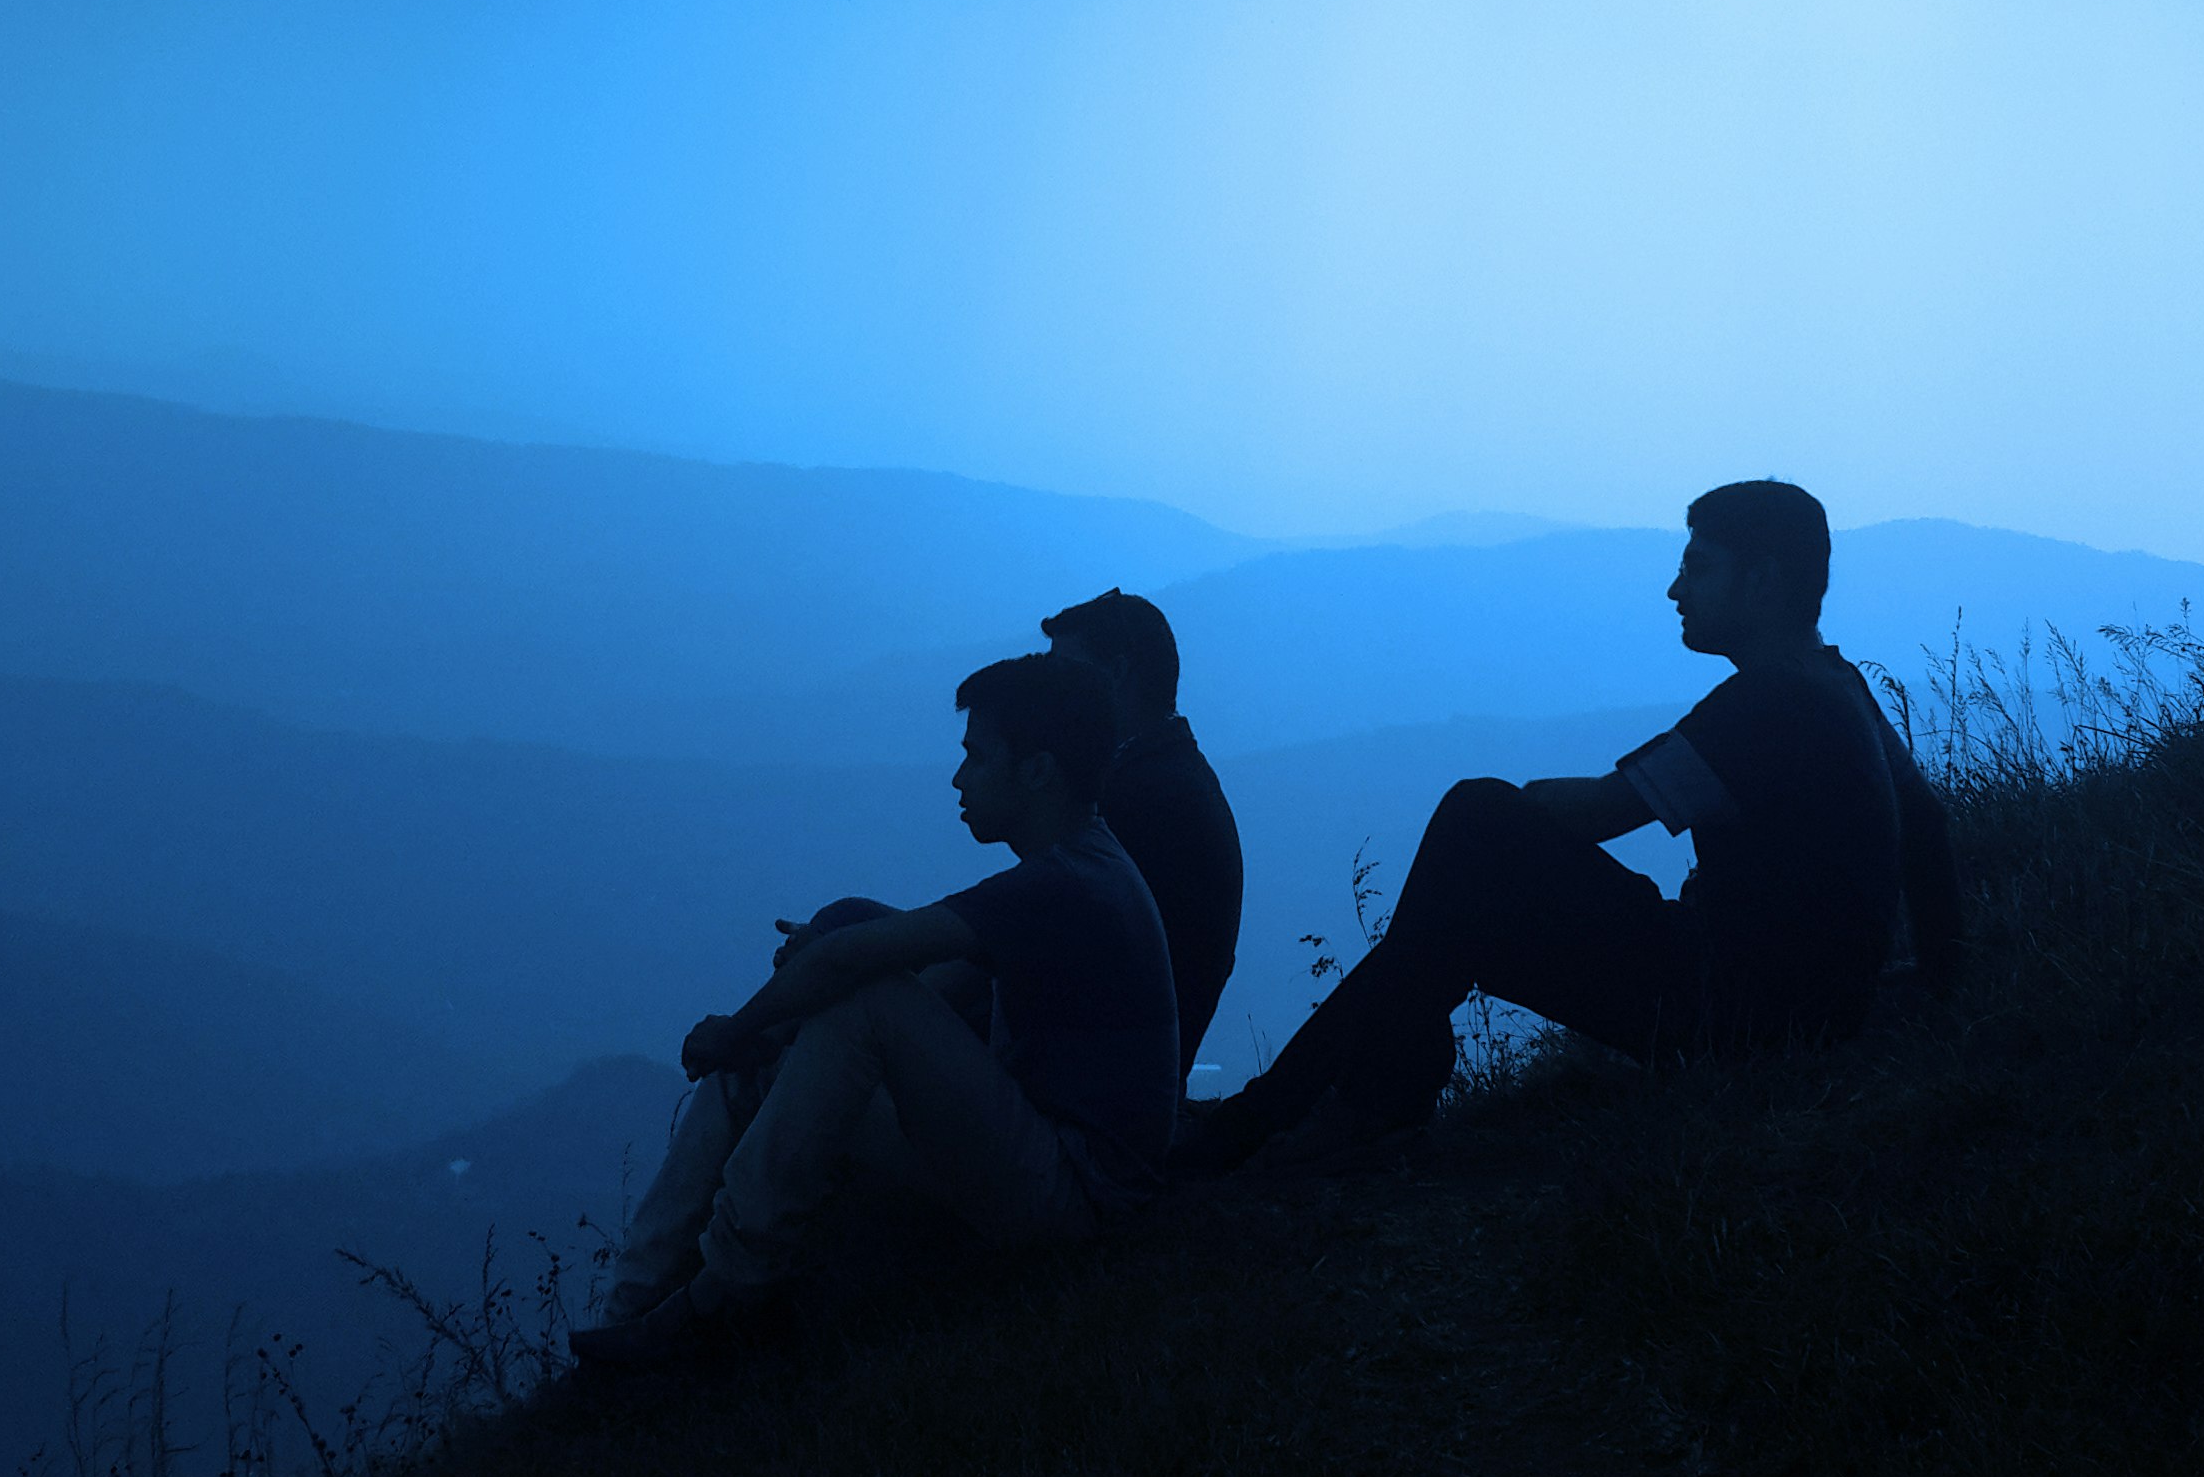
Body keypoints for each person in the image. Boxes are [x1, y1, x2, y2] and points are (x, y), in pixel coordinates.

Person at [1172, 480, 1960, 1175]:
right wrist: (1938, 986)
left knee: (1474, 816)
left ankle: (1303, 1115)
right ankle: (1329, 1110)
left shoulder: (1769, 706)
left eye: (1698, 567)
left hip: (1733, 1016)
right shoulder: (1837, 684)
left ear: (1761, 581)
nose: (1675, 590)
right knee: (1456, 912)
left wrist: (1510, 814)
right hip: (1799, 1011)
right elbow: (1926, 829)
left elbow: (1604, 813)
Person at [574, 651, 1178, 1370]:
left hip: (1077, 1195)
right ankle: (634, 1309)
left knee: (857, 1006)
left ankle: (730, 1290)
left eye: (977, 757)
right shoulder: (1078, 868)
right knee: (765, 1056)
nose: (958, 778)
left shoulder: (1064, 887)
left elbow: (865, 965)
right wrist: (795, 993)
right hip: (1040, 1156)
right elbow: (906, 954)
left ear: (1038, 770)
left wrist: (738, 1025)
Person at [1040, 588, 1244, 1077]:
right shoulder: (1168, 776)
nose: (1046, 696)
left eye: (1062, 676)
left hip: (1088, 1094)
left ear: (1116, 673)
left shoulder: (1137, 805)